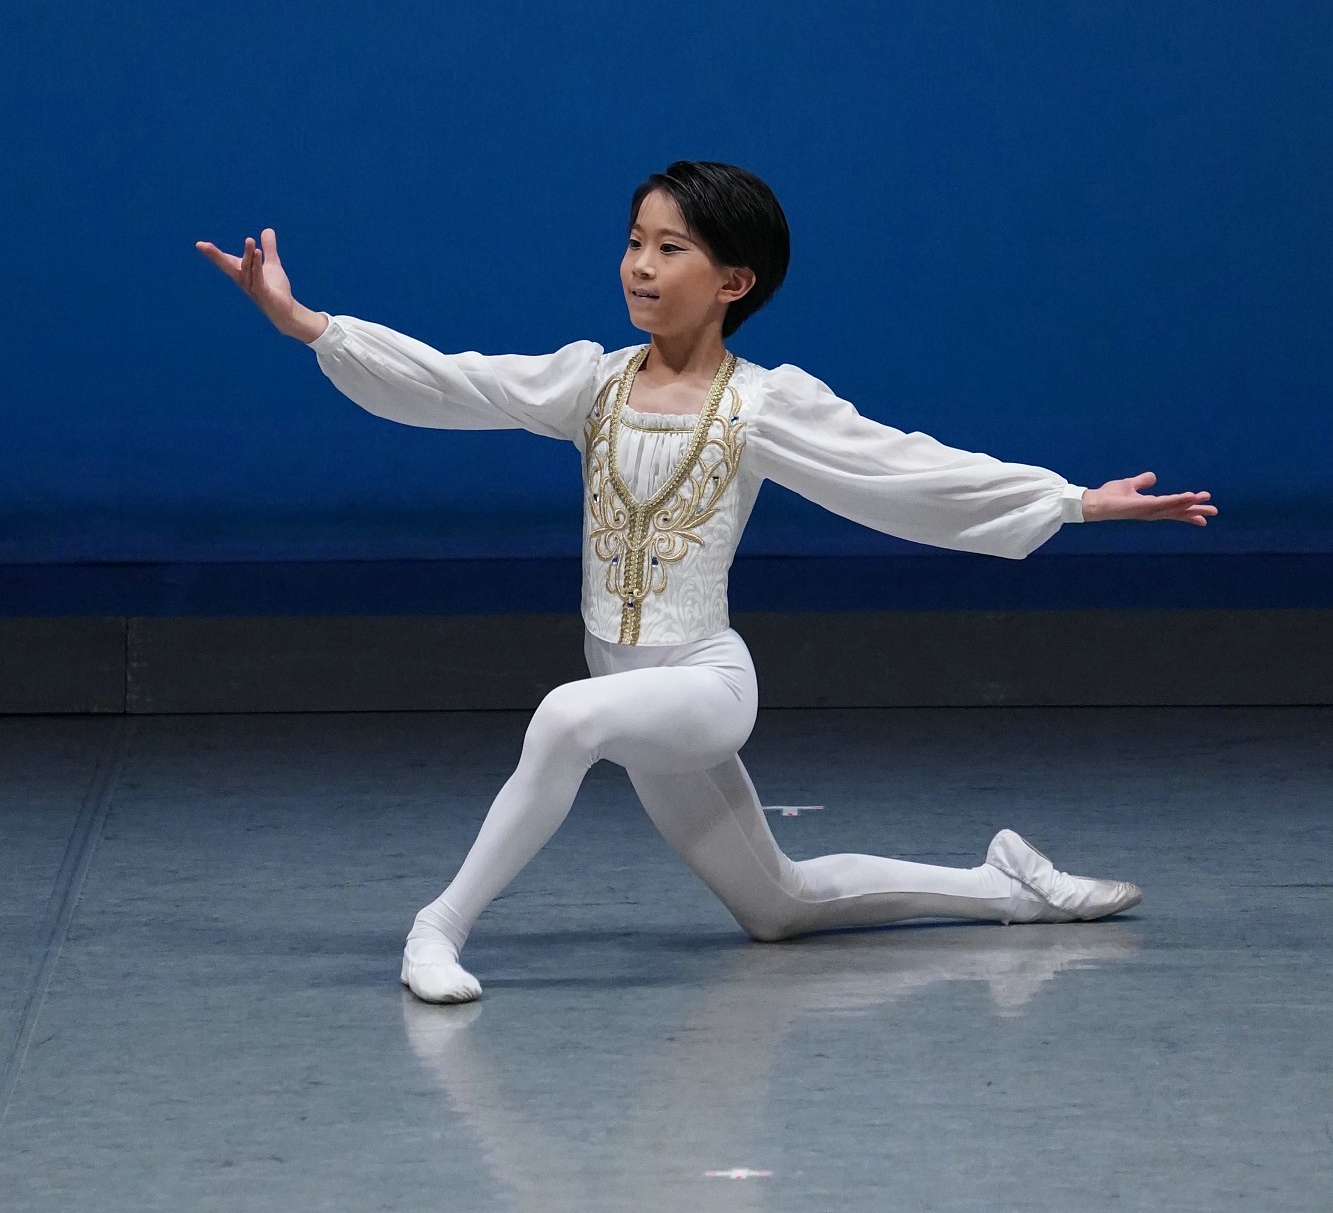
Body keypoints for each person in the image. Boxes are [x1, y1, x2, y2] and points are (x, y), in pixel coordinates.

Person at [196, 160, 1217, 1004]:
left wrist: (1072, 501)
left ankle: (437, 926)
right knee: (778, 905)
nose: (640, 265)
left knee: (564, 716)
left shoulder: (763, 405)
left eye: (670, 247)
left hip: (704, 684)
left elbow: (905, 468)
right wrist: (310, 324)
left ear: (734, 280)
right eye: (634, 240)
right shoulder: (590, 382)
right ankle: (1005, 886)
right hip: (631, 691)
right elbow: (452, 379)